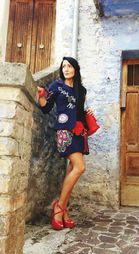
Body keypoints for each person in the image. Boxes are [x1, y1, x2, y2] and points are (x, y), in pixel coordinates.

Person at [37, 57, 93, 230]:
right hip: (63, 131)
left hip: (78, 131)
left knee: (72, 169)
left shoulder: (81, 90)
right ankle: (59, 207)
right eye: (64, 67)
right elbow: (46, 108)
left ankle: (63, 209)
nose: (66, 69)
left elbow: (79, 113)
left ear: (76, 68)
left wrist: (86, 113)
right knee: (79, 167)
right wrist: (41, 96)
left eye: (69, 66)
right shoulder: (56, 86)